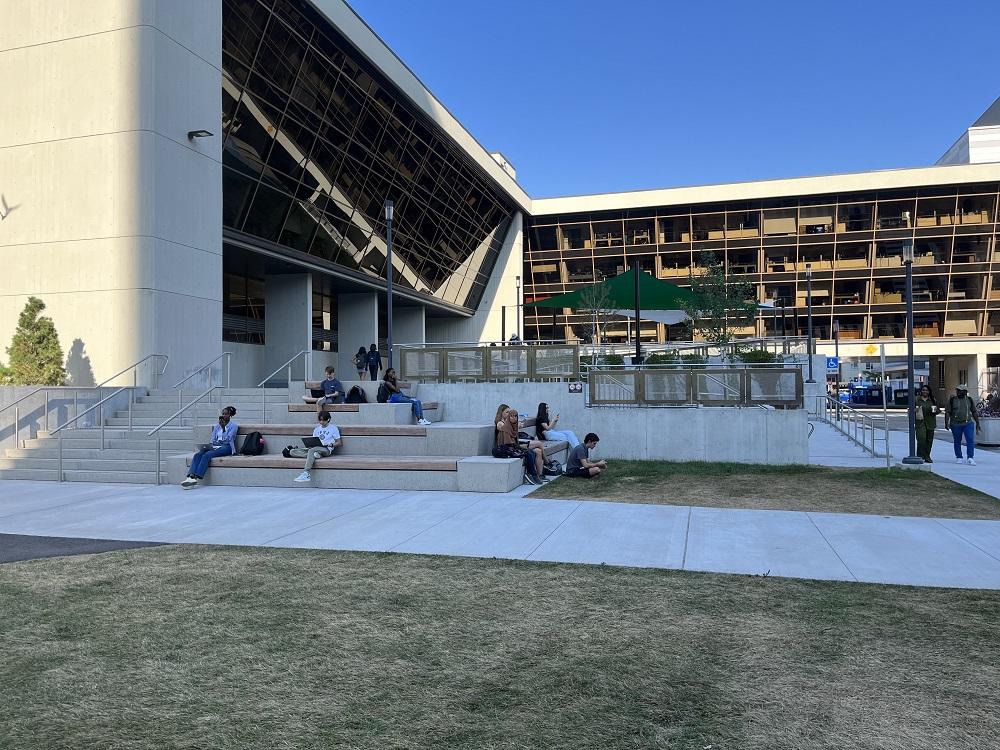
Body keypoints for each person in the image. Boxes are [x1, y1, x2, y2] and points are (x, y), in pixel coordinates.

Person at [181, 408, 238, 488]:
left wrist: (224, 428)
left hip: (227, 447)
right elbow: (212, 437)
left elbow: (229, 439)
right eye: (223, 414)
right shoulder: (217, 426)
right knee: (198, 454)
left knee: (207, 455)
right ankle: (190, 476)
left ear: (230, 415)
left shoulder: (233, 426)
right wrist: (210, 445)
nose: (224, 416)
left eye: (226, 414)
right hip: (215, 446)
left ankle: (195, 478)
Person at [494, 406, 544, 485]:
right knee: (530, 452)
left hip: (514, 445)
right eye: (508, 413)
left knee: (538, 451)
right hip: (506, 448)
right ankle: (532, 474)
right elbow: (503, 430)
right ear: (501, 413)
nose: (511, 416)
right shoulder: (501, 424)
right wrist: (516, 426)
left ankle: (539, 475)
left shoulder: (511, 424)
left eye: (513, 415)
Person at [292, 411, 342, 483]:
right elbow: (314, 440)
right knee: (292, 452)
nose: (321, 422)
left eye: (323, 420)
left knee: (311, 451)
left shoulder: (333, 428)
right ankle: (315, 455)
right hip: (315, 448)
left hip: (326, 449)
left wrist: (331, 444)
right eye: (320, 420)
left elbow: (339, 443)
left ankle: (306, 473)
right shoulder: (316, 429)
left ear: (328, 419)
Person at [945, 383, 981, 465]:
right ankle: (959, 457)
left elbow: (974, 411)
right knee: (957, 441)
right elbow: (947, 412)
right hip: (955, 424)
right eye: (957, 390)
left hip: (968, 423)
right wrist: (946, 423)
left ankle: (970, 457)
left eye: (960, 391)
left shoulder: (969, 400)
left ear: (965, 392)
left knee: (970, 440)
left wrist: (978, 423)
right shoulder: (952, 400)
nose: (958, 392)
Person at [914, 384, 939, 463]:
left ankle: (927, 456)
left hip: (930, 422)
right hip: (920, 423)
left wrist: (934, 411)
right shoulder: (917, 399)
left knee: (929, 440)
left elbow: (937, 410)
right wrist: (915, 410)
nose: (925, 391)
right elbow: (910, 409)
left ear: (929, 392)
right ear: (921, 391)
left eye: (927, 390)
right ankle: (920, 455)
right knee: (921, 439)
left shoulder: (932, 400)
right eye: (923, 390)